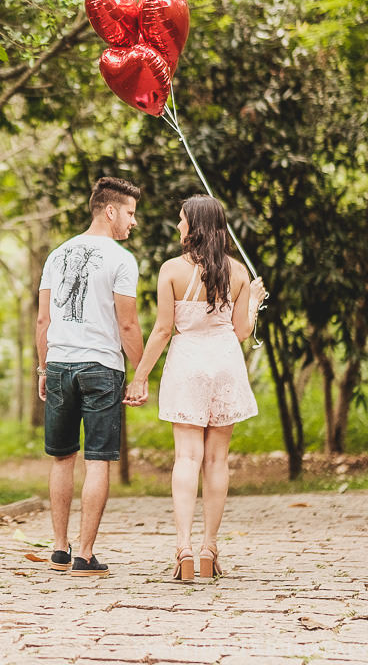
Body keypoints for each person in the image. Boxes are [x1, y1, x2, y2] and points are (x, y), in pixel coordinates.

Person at [124, 194, 265, 581]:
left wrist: (140, 376)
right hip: (224, 365)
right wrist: (252, 300)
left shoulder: (171, 270)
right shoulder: (237, 273)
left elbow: (164, 330)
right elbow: (240, 332)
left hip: (187, 364)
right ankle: (209, 548)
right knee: (217, 461)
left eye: (182, 220)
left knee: (187, 459)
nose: (178, 226)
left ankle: (183, 547)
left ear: (196, 227)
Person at [36, 176, 145, 577]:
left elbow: (44, 319)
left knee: (62, 457)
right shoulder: (121, 259)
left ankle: (59, 548)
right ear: (111, 210)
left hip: (61, 365)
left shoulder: (56, 254)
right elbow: (128, 325)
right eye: (130, 213)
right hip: (101, 368)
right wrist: (143, 374)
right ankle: (84, 555)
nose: (133, 222)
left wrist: (44, 367)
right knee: (97, 461)